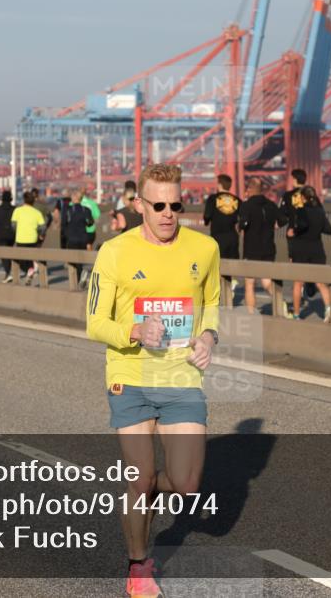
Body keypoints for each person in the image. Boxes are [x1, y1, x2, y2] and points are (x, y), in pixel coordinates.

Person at [85, 163, 219, 598]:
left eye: (175, 205)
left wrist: (209, 336)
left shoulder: (205, 248)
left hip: (182, 377)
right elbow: (93, 322)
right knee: (141, 480)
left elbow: (213, 301)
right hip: (131, 375)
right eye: (158, 204)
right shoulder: (115, 252)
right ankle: (138, 566)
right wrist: (135, 332)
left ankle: (138, 485)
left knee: (186, 485)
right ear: (138, 204)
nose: (167, 213)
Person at [238, 177, 288, 316]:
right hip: (268, 249)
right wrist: (275, 226)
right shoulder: (271, 205)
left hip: (251, 249)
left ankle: (251, 314)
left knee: (250, 283)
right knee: (267, 283)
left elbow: (243, 224)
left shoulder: (246, 205)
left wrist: (240, 227)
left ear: (249, 190)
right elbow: (283, 219)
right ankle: (280, 302)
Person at [289, 186, 331, 321]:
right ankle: (328, 310)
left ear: (303, 197)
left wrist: (294, 231)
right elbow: (328, 230)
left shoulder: (301, 211)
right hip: (317, 250)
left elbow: (301, 226)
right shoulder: (320, 211)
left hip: (301, 250)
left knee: (298, 283)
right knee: (320, 282)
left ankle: (297, 314)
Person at [203, 174, 241, 293]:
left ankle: (220, 295)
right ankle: (231, 285)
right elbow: (241, 218)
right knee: (230, 264)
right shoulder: (237, 200)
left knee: (217, 267)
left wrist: (207, 221)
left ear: (219, 184)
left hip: (218, 236)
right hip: (233, 236)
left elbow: (207, 216)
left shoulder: (213, 199)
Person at [12, 190, 46, 284]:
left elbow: (13, 225)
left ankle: (30, 269)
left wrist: (18, 231)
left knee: (22, 259)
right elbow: (43, 227)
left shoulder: (18, 211)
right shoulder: (37, 212)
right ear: (33, 201)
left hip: (21, 239)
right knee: (30, 257)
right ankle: (31, 270)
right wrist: (41, 235)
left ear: (24, 200)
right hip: (33, 239)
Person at [63, 189, 95, 287]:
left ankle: (76, 281)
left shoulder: (68, 210)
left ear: (74, 198)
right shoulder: (86, 210)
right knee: (80, 260)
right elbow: (90, 223)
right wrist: (84, 222)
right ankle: (81, 275)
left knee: (72, 262)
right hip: (83, 238)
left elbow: (64, 224)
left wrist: (66, 235)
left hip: (71, 238)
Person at [0, 190, 17, 282]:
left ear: (2, 199)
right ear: (11, 199)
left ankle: (8, 273)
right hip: (12, 235)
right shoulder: (15, 209)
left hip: (0, 235)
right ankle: (8, 273)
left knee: (3, 254)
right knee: (8, 253)